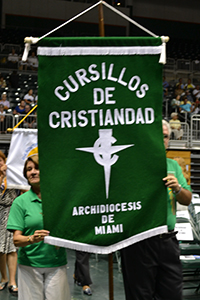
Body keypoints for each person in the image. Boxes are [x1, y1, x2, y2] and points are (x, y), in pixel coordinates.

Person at [120, 119, 192, 300]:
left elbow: (187, 199)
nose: (162, 140)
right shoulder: (131, 165)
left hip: (167, 241)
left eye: (166, 137)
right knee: (140, 296)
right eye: (158, 136)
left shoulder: (173, 166)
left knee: (173, 294)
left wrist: (177, 188)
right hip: (139, 241)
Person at [7, 154, 70, 300]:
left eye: (37, 168)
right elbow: (16, 240)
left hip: (56, 264)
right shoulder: (20, 202)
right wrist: (32, 238)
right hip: (29, 266)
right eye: (29, 169)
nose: (33, 172)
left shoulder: (60, 199)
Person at [0, 151, 18, 296]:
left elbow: (24, 188)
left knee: (11, 248)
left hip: (11, 211)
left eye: (0, 160)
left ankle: (12, 281)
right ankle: (4, 278)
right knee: (0, 249)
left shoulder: (12, 174)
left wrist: (7, 174)